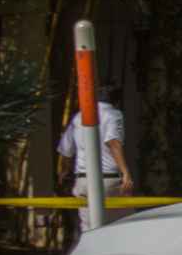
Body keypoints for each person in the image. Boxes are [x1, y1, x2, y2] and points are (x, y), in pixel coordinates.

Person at [55, 83, 133, 232]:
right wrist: (126, 173)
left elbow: (66, 150)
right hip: (108, 181)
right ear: (116, 102)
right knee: (121, 228)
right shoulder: (114, 114)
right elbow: (113, 142)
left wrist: (66, 169)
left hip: (83, 181)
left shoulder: (79, 116)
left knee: (89, 229)